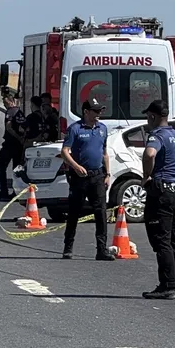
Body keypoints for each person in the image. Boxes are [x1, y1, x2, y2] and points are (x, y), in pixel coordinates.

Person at [141, 100, 175, 300]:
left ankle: (166, 286)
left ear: (153, 116)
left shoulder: (157, 136)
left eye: (148, 116)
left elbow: (150, 154)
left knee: (162, 241)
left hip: (162, 192)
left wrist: (146, 175)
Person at [61, 98, 117, 261]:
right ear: (86, 112)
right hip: (79, 178)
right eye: (95, 111)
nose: (99, 113)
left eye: (100, 110)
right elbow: (65, 151)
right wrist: (76, 166)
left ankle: (101, 249)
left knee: (100, 213)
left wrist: (107, 174)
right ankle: (68, 248)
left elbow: (104, 152)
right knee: (74, 213)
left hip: (97, 176)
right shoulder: (75, 129)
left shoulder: (102, 129)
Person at [0, 91, 27, 200]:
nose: (4, 105)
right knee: (16, 169)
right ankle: (15, 192)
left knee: (1, 166)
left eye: (5, 102)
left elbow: (9, 127)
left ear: (10, 101)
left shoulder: (10, 112)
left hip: (10, 144)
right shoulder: (21, 112)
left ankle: (4, 191)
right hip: (19, 145)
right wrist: (22, 138)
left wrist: (17, 137)